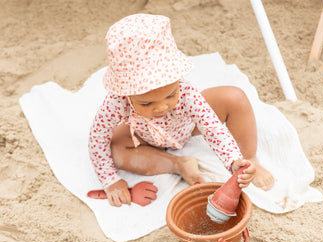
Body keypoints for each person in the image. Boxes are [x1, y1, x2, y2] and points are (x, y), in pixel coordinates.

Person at [89, 14, 274, 207]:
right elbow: (97, 136)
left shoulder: (186, 92)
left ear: (176, 79)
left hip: (187, 125)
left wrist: (234, 161)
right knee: (115, 149)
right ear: (126, 92)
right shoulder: (117, 100)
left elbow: (212, 129)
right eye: (146, 104)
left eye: (170, 95)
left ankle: (250, 158)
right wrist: (110, 180)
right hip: (146, 135)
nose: (161, 107)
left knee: (235, 97)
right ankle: (179, 165)